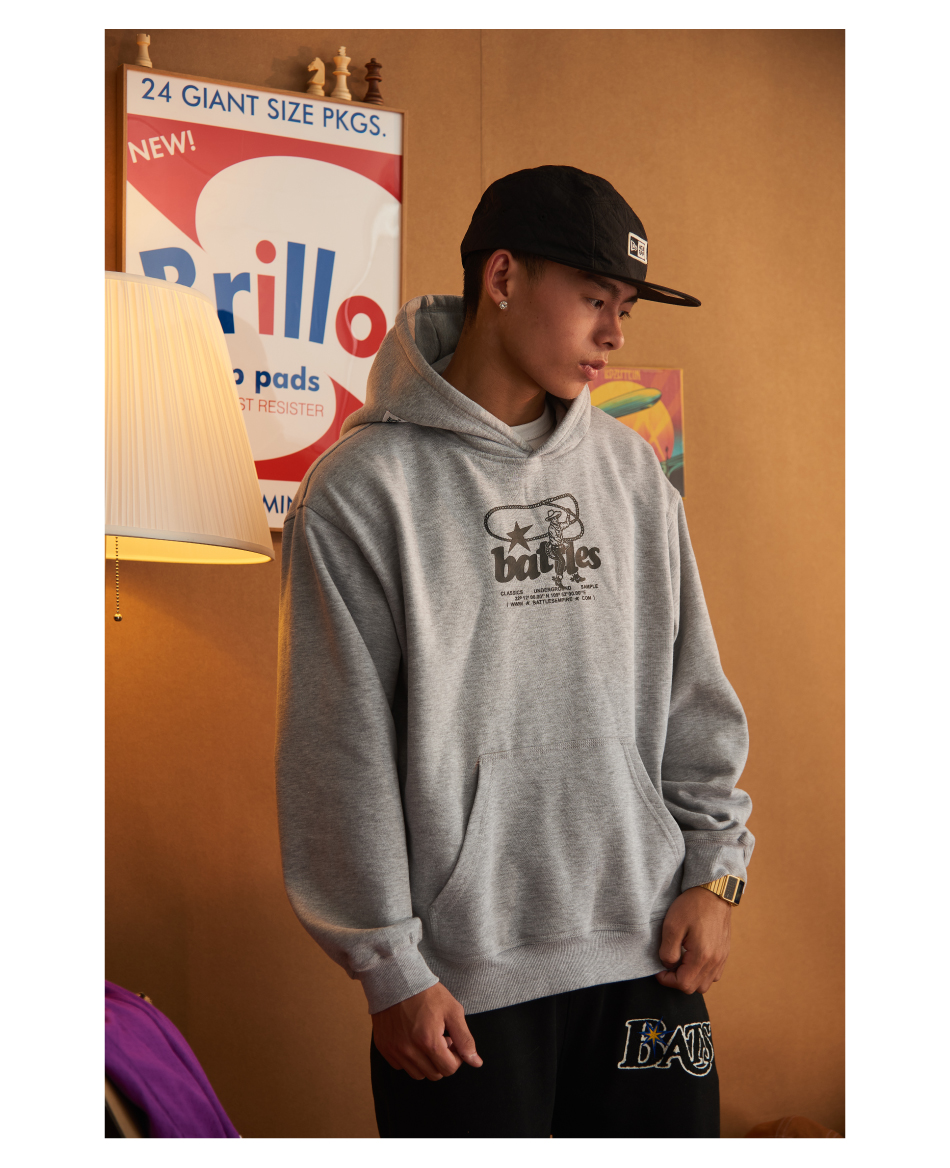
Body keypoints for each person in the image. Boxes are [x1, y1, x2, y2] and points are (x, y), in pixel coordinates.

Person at [275, 165, 754, 1138]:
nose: (614, 334)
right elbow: (336, 754)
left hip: (652, 967)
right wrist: (388, 968)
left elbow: (692, 694)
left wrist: (718, 874)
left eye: (624, 308)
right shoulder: (362, 491)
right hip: (460, 993)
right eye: (593, 299)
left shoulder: (631, 472)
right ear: (501, 277)